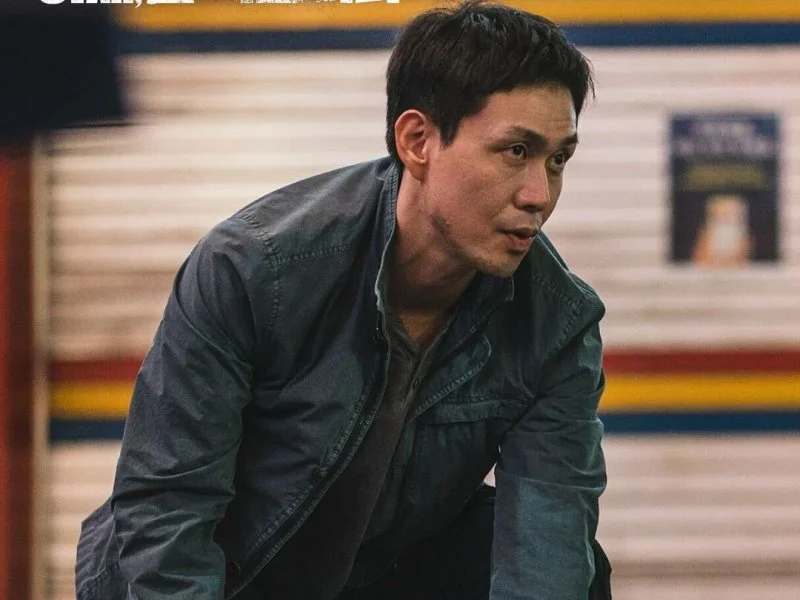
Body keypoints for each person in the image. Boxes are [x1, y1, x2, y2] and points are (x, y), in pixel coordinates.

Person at [75, 1, 612, 598]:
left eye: (558, 159)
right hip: (216, 577)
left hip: (372, 573)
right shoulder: (256, 268)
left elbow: (549, 535)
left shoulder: (557, 321)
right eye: (515, 151)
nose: (539, 194)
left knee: (574, 563)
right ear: (417, 141)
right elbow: (168, 507)